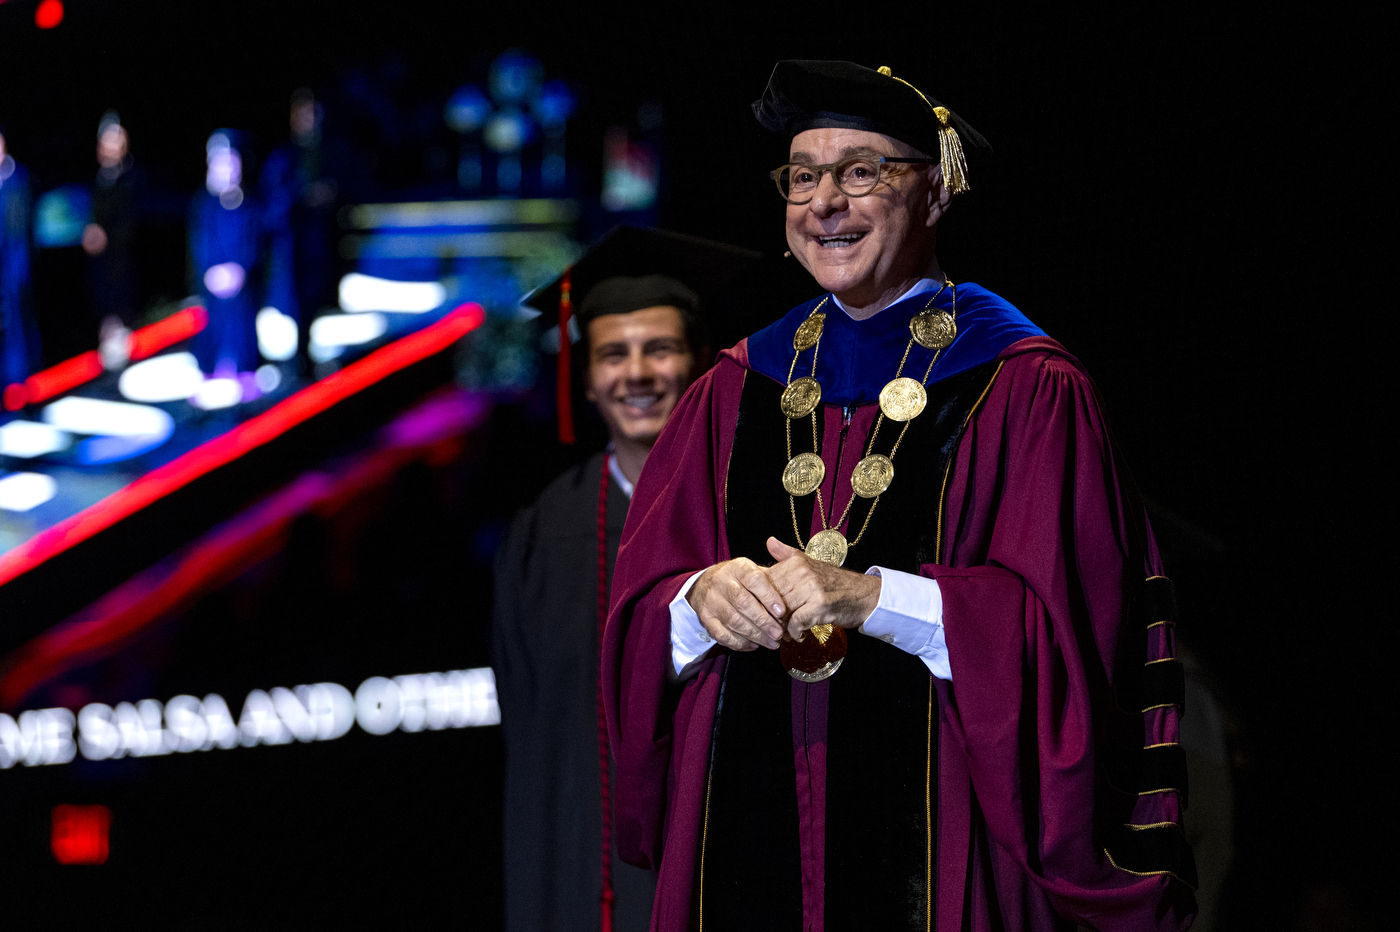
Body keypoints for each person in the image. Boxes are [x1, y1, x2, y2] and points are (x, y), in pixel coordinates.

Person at [603, 61, 1198, 931]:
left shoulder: (1024, 386)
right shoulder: (730, 389)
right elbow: (638, 615)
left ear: (936, 194)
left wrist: (875, 599)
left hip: (944, 842)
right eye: (802, 176)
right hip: (740, 836)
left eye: (861, 172)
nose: (823, 203)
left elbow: (1078, 637)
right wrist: (697, 601)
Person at [492, 227, 759, 932]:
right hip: (585, 875)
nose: (636, 374)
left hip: (728, 864)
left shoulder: (756, 511)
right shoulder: (543, 534)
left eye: (660, 348)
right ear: (585, 378)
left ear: (701, 362)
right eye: (613, 354)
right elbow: (532, 739)